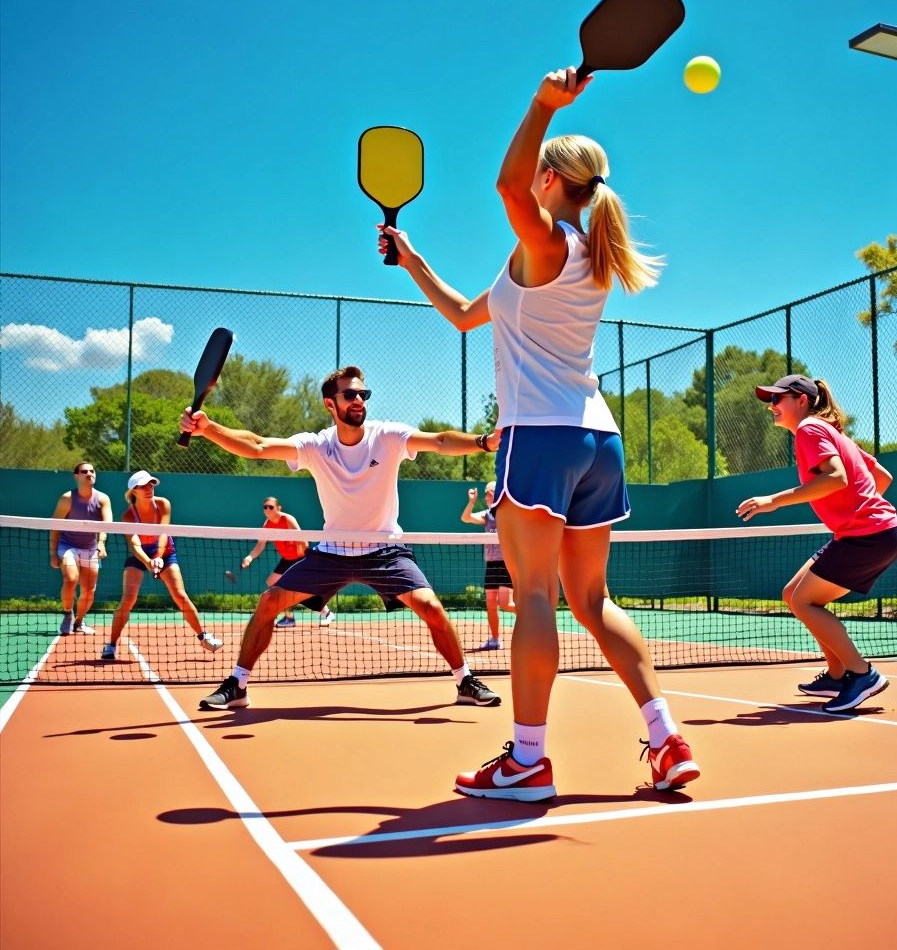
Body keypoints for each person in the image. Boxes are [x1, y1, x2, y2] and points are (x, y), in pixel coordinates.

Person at [380, 66, 699, 801]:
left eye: (540, 172)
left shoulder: (547, 240)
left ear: (552, 180)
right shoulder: (577, 256)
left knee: (533, 598)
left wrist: (539, 104)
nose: (529, 185)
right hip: (597, 441)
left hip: (541, 436)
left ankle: (527, 761)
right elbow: (465, 314)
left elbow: (505, 187)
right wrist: (411, 260)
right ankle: (666, 739)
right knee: (593, 600)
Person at [179, 366, 502, 712]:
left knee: (432, 608)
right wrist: (209, 429)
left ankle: (465, 681)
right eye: (350, 395)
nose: (359, 400)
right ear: (330, 405)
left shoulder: (388, 436)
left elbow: (438, 441)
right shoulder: (316, 446)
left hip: (385, 551)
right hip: (332, 553)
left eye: (364, 394)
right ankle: (238, 684)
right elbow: (258, 446)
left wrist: (484, 442)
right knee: (269, 602)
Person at [735, 374, 897, 713]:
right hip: (872, 532)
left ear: (801, 400)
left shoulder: (810, 430)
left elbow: (838, 477)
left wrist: (774, 500)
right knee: (792, 594)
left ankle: (862, 674)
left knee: (803, 601)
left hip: (868, 536)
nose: (771, 406)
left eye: (777, 399)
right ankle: (836, 673)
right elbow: (882, 477)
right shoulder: (833, 432)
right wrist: (856, 510)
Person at [101, 471, 224, 660]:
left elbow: (164, 533)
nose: (149, 488)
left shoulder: (163, 504)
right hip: (141, 556)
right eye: (143, 486)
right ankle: (111, 645)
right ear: (134, 491)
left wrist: (158, 557)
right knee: (128, 600)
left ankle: (203, 636)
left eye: (151, 484)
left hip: (165, 552)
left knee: (180, 595)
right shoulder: (128, 515)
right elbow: (134, 545)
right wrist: (149, 562)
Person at [240, 496, 335, 628]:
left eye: (271, 506)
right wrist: (249, 557)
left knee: (298, 588)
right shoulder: (267, 525)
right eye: (265, 507)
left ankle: (325, 612)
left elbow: (302, 539)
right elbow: (260, 545)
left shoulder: (287, 519)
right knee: (273, 583)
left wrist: (307, 559)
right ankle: (290, 618)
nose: (268, 509)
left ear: (278, 508)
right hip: (287, 560)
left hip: (300, 558)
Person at [49, 462, 113, 636]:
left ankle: (79, 622)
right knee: (70, 579)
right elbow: (55, 526)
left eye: (92, 471)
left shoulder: (102, 499)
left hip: (91, 548)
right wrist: (53, 553)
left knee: (89, 589)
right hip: (67, 545)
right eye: (84, 471)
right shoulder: (67, 499)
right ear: (76, 476)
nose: (89, 474)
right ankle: (68, 614)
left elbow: (107, 524)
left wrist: (101, 543)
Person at [461, 482, 515, 650]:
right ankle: (495, 639)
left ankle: (534, 616)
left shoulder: (508, 513)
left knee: (506, 604)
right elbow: (465, 518)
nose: (487, 496)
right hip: (491, 565)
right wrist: (471, 502)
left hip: (507, 564)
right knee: (491, 604)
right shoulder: (487, 515)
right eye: (486, 494)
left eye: (490, 493)